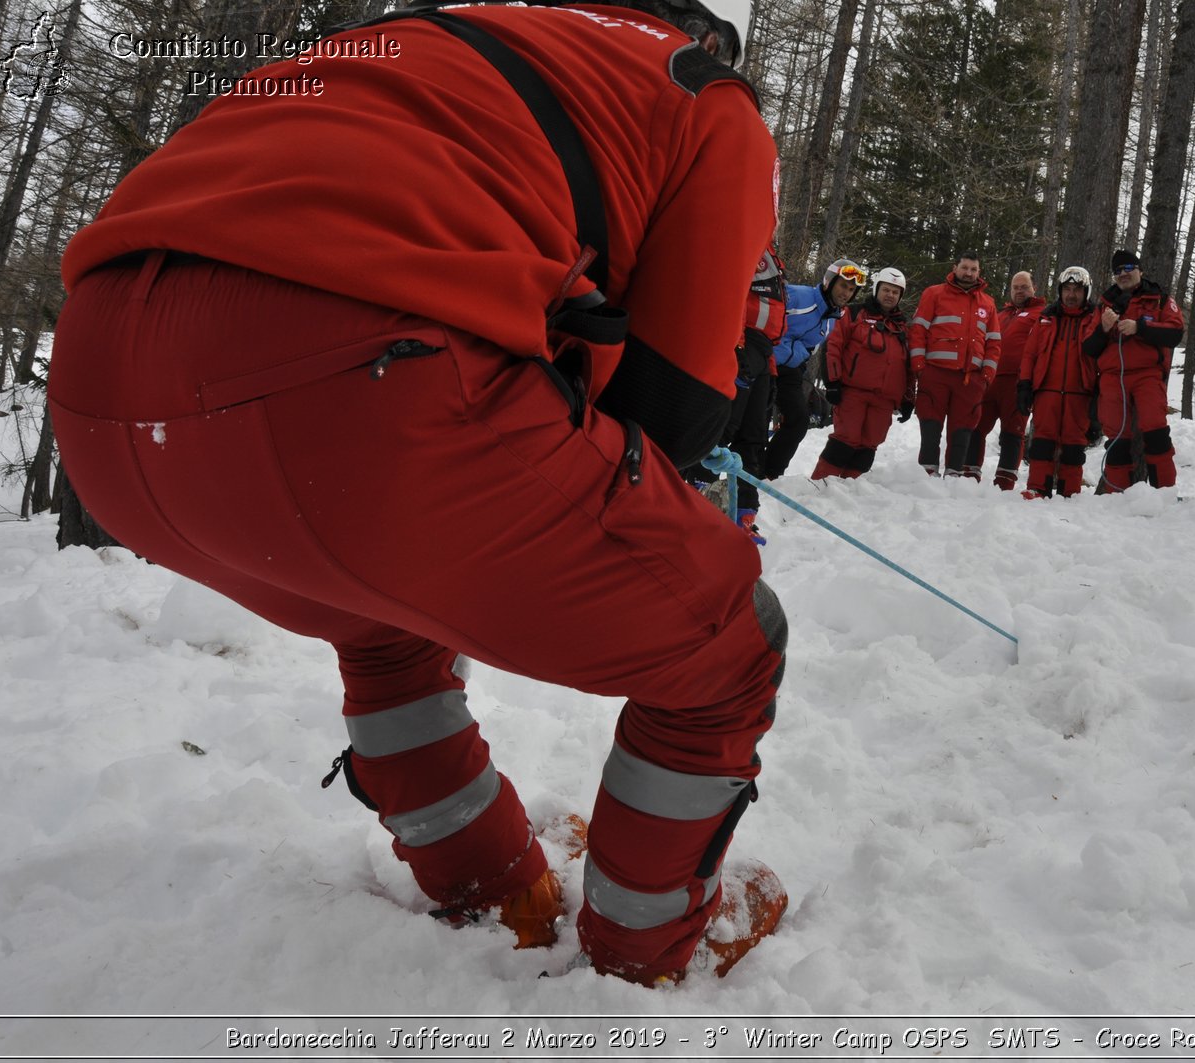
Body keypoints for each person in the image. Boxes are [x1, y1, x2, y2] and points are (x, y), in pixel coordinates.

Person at [46, 0, 790, 988]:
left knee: (385, 619)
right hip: (364, 392)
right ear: (710, 29)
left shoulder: (421, 33)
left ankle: (487, 878)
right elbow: (676, 399)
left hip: (104, 411)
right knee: (727, 646)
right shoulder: (697, 90)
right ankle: (643, 953)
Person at [1082, 250, 1184, 490]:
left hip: (1147, 374)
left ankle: (1165, 491)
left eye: (1128, 268)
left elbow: (1175, 332)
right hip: (1112, 378)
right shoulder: (1105, 303)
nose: (1123, 274)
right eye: (1118, 271)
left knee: (1156, 431)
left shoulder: (1159, 298)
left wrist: (1140, 327)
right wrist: (1103, 329)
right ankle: (1115, 494)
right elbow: (1089, 347)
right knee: (1117, 438)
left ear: (1140, 270)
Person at [761, 258, 862, 481]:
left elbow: (810, 348)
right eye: (843, 285)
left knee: (799, 419)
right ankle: (735, 470)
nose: (846, 293)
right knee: (757, 419)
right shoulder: (798, 296)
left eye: (852, 290)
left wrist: (798, 357)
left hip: (791, 370)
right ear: (829, 282)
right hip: (765, 362)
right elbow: (766, 319)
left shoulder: (833, 319)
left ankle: (769, 474)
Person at [811, 267, 912, 479]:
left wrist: (908, 398)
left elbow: (908, 366)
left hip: (884, 399)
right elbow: (833, 346)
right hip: (852, 391)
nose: (890, 295)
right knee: (846, 438)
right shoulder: (855, 313)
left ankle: (850, 487)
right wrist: (832, 382)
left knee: (870, 443)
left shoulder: (902, 327)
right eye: (886, 289)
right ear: (877, 290)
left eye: (895, 292)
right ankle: (821, 484)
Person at [908, 252, 1003, 476]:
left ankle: (954, 474)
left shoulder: (987, 303)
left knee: (963, 429)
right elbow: (919, 329)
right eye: (965, 268)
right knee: (930, 425)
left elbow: (994, 342)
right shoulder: (934, 294)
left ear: (979, 273)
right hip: (935, 373)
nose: (968, 273)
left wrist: (987, 374)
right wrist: (919, 365)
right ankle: (926, 472)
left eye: (973, 269)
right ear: (955, 268)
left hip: (970, 379)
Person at [1016, 266, 1100, 498]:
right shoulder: (1046, 318)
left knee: (1074, 444)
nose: (1071, 295)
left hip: (1080, 393)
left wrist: (1099, 397)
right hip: (1046, 391)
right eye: (1067, 289)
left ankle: (1069, 492)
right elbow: (1030, 355)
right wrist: (1024, 385)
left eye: (1076, 290)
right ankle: (1037, 488)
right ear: (1060, 291)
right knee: (1042, 441)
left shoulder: (1096, 319)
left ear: (1086, 292)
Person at [723, 242, 787, 543]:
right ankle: (694, 493)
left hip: (762, 352)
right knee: (723, 429)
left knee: (754, 437)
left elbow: (772, 320)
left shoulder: (768, 251)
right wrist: (735, 344)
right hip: (742, 343)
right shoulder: (746, 241)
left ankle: (744, 513)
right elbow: (727, 290)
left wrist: (771, 369)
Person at [966, 270, 1044, 488]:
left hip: (1017, 382)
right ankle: (968, 475)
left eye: (1024, 287)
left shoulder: (1042, 313)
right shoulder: (1001, 314)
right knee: (976, 426)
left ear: (1034, 288)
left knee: (1013, 432)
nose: (1019, 291)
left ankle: (1005, 481)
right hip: (990, 380)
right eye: (1015, 287)